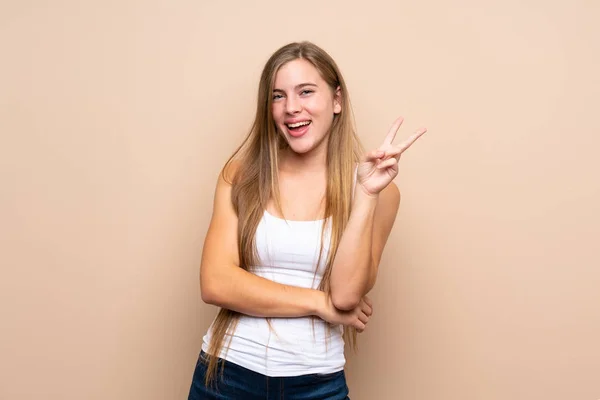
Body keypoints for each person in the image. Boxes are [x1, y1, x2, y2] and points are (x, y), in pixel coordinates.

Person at [188, 41, 426, 400]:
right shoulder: (240, 176)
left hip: (316, 384)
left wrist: (364, 195)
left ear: (337, 100)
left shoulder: (381, 194)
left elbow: (346, 296)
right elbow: (216, 283)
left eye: (306, 92)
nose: (291, 108)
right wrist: (319, 303)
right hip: (225, 377)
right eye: (278, 96)